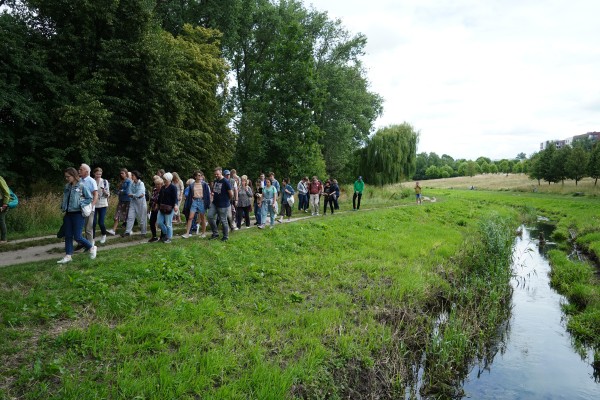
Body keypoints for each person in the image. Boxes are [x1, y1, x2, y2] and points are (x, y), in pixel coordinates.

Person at [57, 167, 97, 263]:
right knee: (68, 235)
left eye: (68, 176)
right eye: (65, 177)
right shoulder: (67, 186)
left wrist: (81, 204)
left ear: (74, 175)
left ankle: (92, 247)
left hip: (78, 214)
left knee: (77, 236)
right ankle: (68, 256)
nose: (66, 178)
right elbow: (65, 198)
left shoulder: (82, 186)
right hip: (68, 214)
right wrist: (63, 206)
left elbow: (89, 198)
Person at [182, 171, 211, 239]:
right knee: (190, 217)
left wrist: (207, 203)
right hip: (194, 201)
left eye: (201, 175)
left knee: (202, 217)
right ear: (195, 176)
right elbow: (189, 195)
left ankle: (203, 233)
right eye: (198, 175)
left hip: (201, 201)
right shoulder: (192, 185)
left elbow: (207, 195)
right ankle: (187, 233)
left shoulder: (204, 184)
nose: (200, 176)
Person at [208, 167, 233, 241]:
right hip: (215, 203)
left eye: (217, 174)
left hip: (223, 205)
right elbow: (214, 191)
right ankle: (215, 233)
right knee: (209, 216)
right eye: (215, 174)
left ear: (221, 173)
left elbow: (231, 194)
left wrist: (227, 200)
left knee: (223, 220)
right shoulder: (216, 181)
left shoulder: (226, 181)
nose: (216, 175)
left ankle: (225, 236)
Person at [78, 164, 98, 247]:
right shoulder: (79, 180)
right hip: (80, 207)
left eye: (81, 169)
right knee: (79, 227)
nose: (79, 171)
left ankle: (90, 246)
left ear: (86, 172)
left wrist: (92, 206)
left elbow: (95, 194)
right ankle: (81, 244)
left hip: (88, 208)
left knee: (88, 228)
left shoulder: (91, 181)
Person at [107, 168, 132, 235]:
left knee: (127, 216)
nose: (121, 175)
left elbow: (127, 191)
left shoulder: (129, 181)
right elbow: (116, 190)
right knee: (117, 215)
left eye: (122, 173)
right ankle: (113, 230)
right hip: (121, 200)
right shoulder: (121, 181)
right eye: (120, 173)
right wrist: (120, 191)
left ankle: (129, 230)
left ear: (126, 174)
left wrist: (120, 191)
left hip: (127, 201)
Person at [122, 170, 147, 236]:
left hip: (141, 203)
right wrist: (135, 195)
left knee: (142, 219)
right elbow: (129, 192)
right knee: (130, 216)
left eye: (133, 175)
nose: (132, 176)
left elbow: (139, 194)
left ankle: (143, 232)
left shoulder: (141, 184)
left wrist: (133, 195)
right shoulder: (132, 184)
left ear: (136, 176)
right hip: (133, 202)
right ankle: (127, 232)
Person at [157, 172, 178, 243]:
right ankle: (166, 233)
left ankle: (169, 238)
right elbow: (160, 197)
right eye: (164, 179)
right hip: (161, 207)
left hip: (169, 208)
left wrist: (175, 205)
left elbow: (175, 197)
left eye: (165, 179)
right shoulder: (163, 187)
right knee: (159, 222)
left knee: (168, 224)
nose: (164, 180)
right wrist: (158, 204)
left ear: (169, 179)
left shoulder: (173, 187)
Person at [92, 167, 110, 244]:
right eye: (97, 174)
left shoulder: (105, 181)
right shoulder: (91, 181)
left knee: (101, 222)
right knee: (93, 222)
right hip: (94, 203)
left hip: (103, 204)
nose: (99, 175)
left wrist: (104, 191)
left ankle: (104, 235)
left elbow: (108, 194)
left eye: (100, 174)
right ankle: (92, 238)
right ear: (94, 173)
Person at [148, 175, 163, 242]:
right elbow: (151, 199)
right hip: (154, 208)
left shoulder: (163, 191)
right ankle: (154, 236)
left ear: (161, 184)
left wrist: (158, 205)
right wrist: (149, 208)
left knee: (161, 222)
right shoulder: (154, 190)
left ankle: (162, 236)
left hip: (161, 209)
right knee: (151, 222)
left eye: (159, 184)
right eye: (156, 184)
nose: (157, 186)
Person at [0, 175, 10, 244]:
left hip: (1, 202)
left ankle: (4, 239)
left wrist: (5, 204)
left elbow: (6, 191)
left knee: (1, 220)